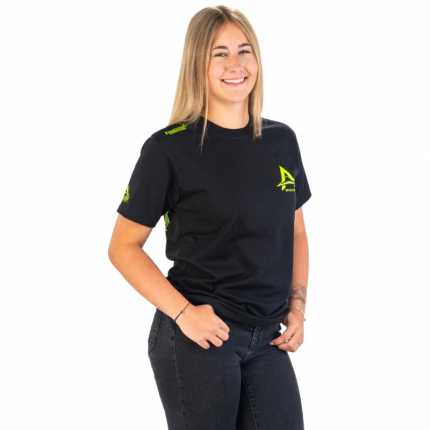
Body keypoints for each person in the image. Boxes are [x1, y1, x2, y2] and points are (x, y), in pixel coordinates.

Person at [108, 5, 311, 430]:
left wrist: (297, 308)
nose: (236, 65)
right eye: (220, 54)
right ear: (197, 65)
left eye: (244, 50)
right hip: (199, 335)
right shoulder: (168, 149)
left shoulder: (282, 141)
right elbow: (123, 247)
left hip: (268, 338)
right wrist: (184, 314)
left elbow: (295, 231)